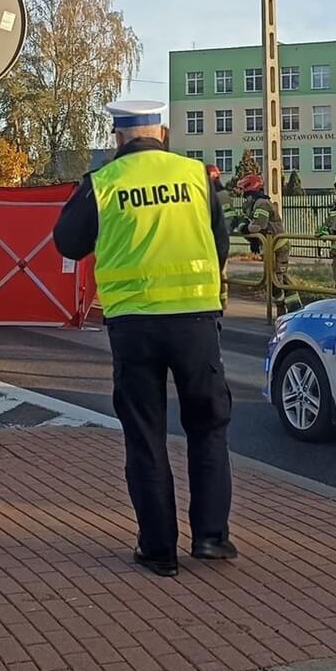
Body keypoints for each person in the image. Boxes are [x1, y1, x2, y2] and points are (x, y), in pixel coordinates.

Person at [53, 99, 234, 579]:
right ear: (163, 132)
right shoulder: (197, 177)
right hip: (196, 322)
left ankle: (158, 551)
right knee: (207, 427)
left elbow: (68, 243)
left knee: (146, 435)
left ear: (118, 137)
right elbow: (220, 243)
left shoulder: (104, 183)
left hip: (133, 325)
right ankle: (212, 538)